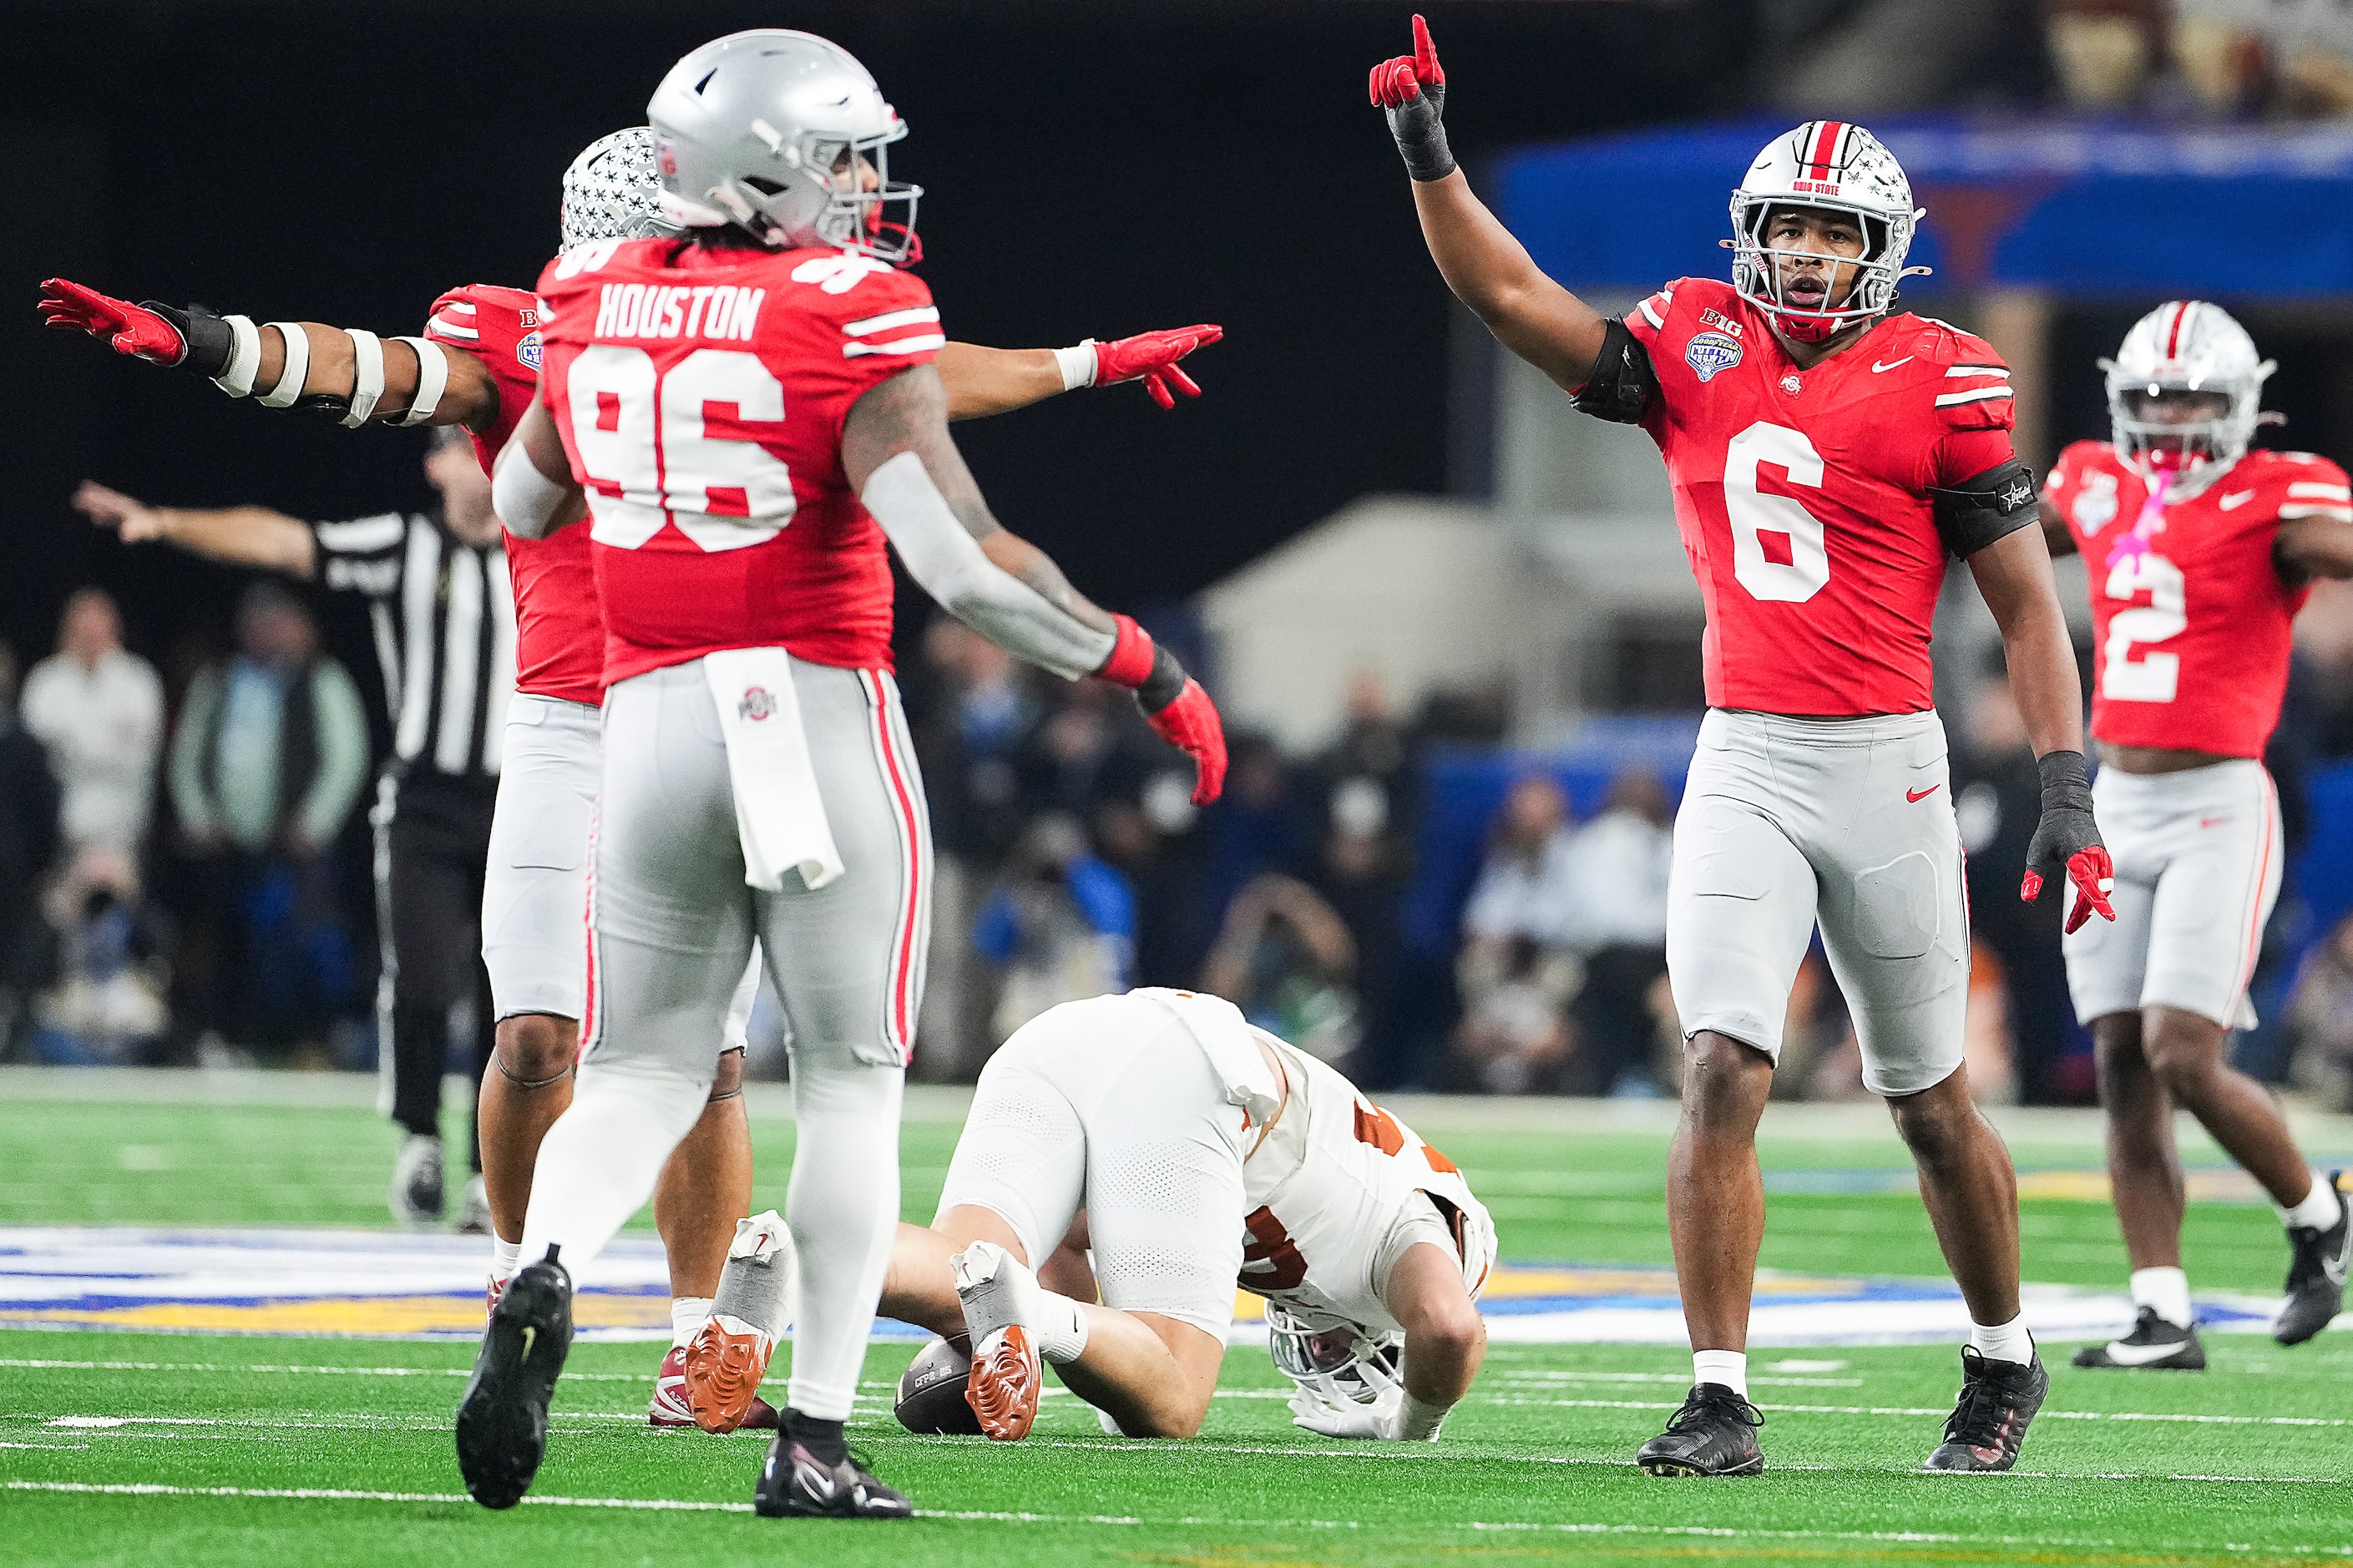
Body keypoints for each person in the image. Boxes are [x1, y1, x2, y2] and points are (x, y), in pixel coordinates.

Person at [38, 129, 1216, 1424]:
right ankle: (520, 1297)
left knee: (701, 1060)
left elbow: (911, 378)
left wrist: (1088, 361)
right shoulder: (540, 326)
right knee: (548, 1034)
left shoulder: (728, 312)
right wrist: (212, 342)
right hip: (587, 715)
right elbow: (371, 371)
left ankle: (694, 1338)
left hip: (704, 707)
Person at [463, 28, 1227, 1520]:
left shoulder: (587, 296)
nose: (869, 188)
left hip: (646, 719)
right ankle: (810, 1434)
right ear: (762, 169)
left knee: (636, 1069)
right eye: (842, 158)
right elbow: (966, 567)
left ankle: (535, 1276)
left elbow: (518, 492)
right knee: (852, 1089)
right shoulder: (847, 309)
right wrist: (1143, 664)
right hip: (806, 717)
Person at [1372, 18, 2114, 1474]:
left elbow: (2026, 606)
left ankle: (1999, 1353)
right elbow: (1510, 293)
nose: (1804, 261)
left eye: (1833, 238)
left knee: (1927, 1101)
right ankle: (1717, 1390)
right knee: (1718, 1061)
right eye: (1783, 232)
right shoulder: (1691, 334)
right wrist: (1427, 157)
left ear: (1884, 249)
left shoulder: (1945, 376)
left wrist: (2062, 785)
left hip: (1888, 762)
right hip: (1744, 757)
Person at [79, 432, 514, 1231]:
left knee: (510, 997)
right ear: (436, 464)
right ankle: (419, 1138)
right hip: (424, 802)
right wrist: (169, 521)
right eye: (463, 445)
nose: (483, 458)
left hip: (525, 797)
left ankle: (492, 1170)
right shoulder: (404, 544)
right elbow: (282, 539)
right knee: (420, 979)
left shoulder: (551, 548)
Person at [2040, 301, 2353, 1369]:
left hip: (2219, 798)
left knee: (2183, 1049)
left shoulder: (2284, 492)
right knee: (2123, 1057)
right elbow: (1987, 533)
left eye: (2194, 398)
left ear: (2242, 406)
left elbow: (2334, 548)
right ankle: (2160, 1310)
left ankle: (2316, 1212)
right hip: (2110, 801)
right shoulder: (2087, 474)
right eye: (2154, 398)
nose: (2171, 417)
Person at [870, 986, 1493, 1444]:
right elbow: (1449, 1327)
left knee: (961, 1265)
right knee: (1176, 1404)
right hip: (1194, 1070)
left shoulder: (1336, 1230)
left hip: (1064, 1037)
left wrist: (1116, 1376)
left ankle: (801, 1258)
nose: (1324, 1353)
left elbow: (1064, 1238)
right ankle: (1025, 1311)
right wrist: (1412, 1426)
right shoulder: (1423, 1229)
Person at [164, 583, 371, 1063]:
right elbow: (187, 756)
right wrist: (200, 818)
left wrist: (312, 824)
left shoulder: (321, 680)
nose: (265, 633)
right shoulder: (217, 680)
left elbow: (346, 757)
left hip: (293, 847)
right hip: (225, 846)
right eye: (256, 623)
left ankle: (307, 1040)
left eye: (276, 622)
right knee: (219, 945)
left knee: (298, 940)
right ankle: (224, 1039)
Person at [21, 588, 164, 855]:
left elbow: (139, 759)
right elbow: (35, 760)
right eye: (81, 629)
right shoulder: (45, 681)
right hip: (57, 832)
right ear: (66, 631)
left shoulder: (139, 681)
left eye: (98, 629)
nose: (90, 638)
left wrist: (71, 745)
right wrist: (108, 741)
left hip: (123, 829)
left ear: (114, 630)